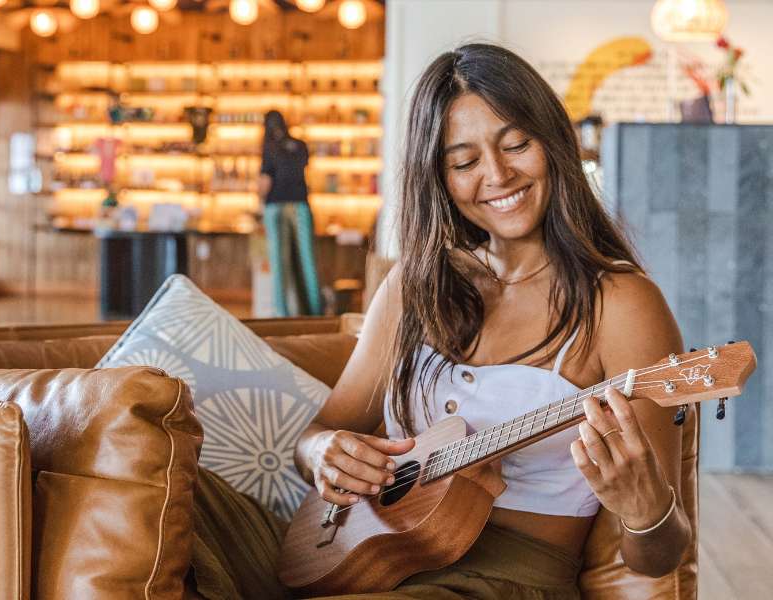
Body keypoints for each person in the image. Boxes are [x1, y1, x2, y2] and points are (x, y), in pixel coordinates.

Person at [188, 43, 691, 599]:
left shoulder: (620, 303)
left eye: (516, 144)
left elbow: (661, 555)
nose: (497, 175)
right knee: (170, 485)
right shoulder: (416, 283)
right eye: (464, 161)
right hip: (369, 547)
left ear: (554, 144)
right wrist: (323, 452)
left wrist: (645, 508)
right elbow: (314, 434)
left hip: (500, 579)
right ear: (439, 176)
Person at [259, 110, 323, 316]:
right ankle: (316, 312)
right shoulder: (301, 145)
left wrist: (259, 202)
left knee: (280, 263)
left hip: (275, 207)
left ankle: (282, 314)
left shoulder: (269, 147)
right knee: (308, 262)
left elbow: (265, 182)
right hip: (301, 206)